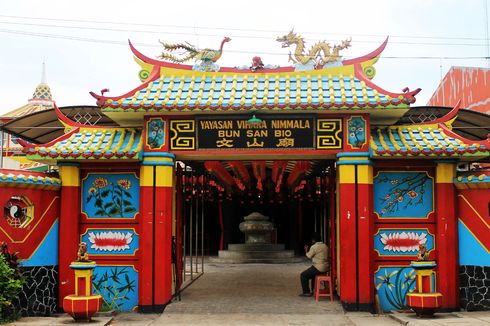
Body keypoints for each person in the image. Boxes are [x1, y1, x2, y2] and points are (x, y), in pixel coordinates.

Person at [299, 232, 329, 297]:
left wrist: (306, 250)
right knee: (312, 274)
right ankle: (313, 290)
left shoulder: (314, 247)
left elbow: (308, 256)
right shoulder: (325, 246)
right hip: (326, 267)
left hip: (318, 267)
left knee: (303, 275)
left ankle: (306, 292)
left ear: (314, 240)